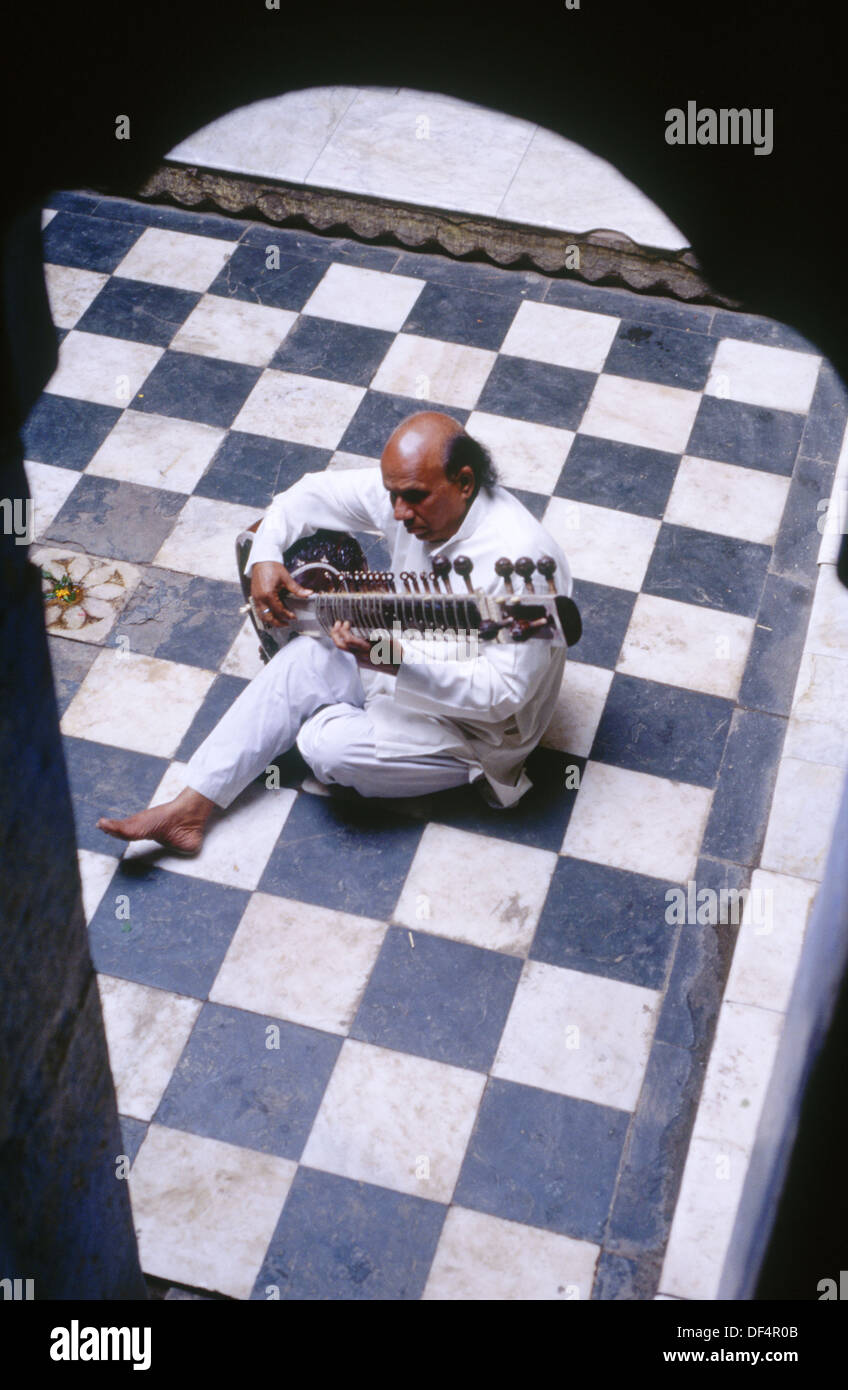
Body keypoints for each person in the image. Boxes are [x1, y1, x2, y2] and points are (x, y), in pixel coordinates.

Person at [97, 411, 572, 854]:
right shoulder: (408, 492)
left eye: (414, 498)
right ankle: (189, 809)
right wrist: (266, 553)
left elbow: (505, 695)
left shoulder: (524, 568)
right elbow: (309, 494)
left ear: (464, 483)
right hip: (397, 653)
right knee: (302, 660)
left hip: (477, 729)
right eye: (393, 496)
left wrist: (394, 661)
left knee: (325, 745)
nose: (401, 512)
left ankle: (356, 722)